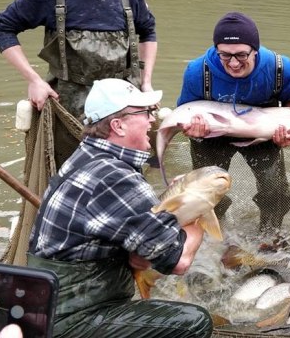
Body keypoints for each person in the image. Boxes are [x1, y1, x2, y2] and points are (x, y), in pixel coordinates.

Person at [27, 78, 212, 338]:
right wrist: (198, 208)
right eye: (145, 113)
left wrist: (172, 202)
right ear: (118, 125)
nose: (152, 120)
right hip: (69, 322)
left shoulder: (86, 155)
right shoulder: (116, 177)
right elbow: (178, 261)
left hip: (43, 309)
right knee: (194, 321)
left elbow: (132, 222)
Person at [0, 0, 158, 167]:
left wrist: (146, 83)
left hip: (123, 109)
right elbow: (1, 28)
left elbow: (148, 31)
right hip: (69, 111)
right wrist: (33, 80)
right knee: (68, 178)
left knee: (124, 178)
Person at [178, 12, 290, 233]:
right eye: (224, 55)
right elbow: (184, 114)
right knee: (205, 192)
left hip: (261, 133)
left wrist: (288, 131)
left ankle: (269, 236)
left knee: (275, 191)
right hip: (212, 135)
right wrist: (192, 130)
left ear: (255, 49)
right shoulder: (198, 71)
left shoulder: (280, 68)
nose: (233, 63)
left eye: (242, 55)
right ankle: (215, 231)